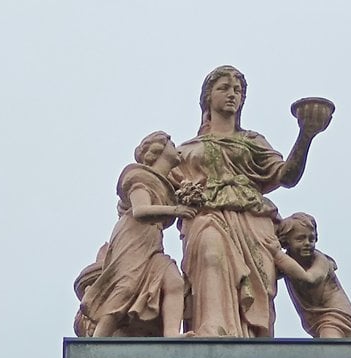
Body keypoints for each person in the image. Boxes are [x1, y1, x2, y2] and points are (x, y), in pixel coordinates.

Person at [169, 65, 329, 337]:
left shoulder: (253, 141)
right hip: (207, 216)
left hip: (255, 224)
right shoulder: (185, 150)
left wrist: (306, 135)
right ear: (208, 97)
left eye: (238, 90)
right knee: (211, 254)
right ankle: (211, 328)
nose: (232, 95)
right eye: (224, 88)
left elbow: (286, 176)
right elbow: (162, 186)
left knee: (261, 285)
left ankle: (253, 345)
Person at [80, 131, 196, 337]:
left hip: (152, 242)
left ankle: (172, 335)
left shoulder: (164, 183)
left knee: (173, 281)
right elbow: (141, 211)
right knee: (125, 289)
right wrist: (176, 211)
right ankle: (98, 341)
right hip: (133, 238)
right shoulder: (139, 177)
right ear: (159, 149)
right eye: (172, 144)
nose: (177, 149)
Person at [265, 212, 351, 338]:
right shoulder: (288, 263)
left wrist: (277, 255)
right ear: (285, 241)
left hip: (335, 315)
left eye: (312, 238)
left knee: (331, 347)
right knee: (328, 349)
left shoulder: (320, 260)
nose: (307, 243)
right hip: (315, 319)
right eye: (300, 239)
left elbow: (309, 279)